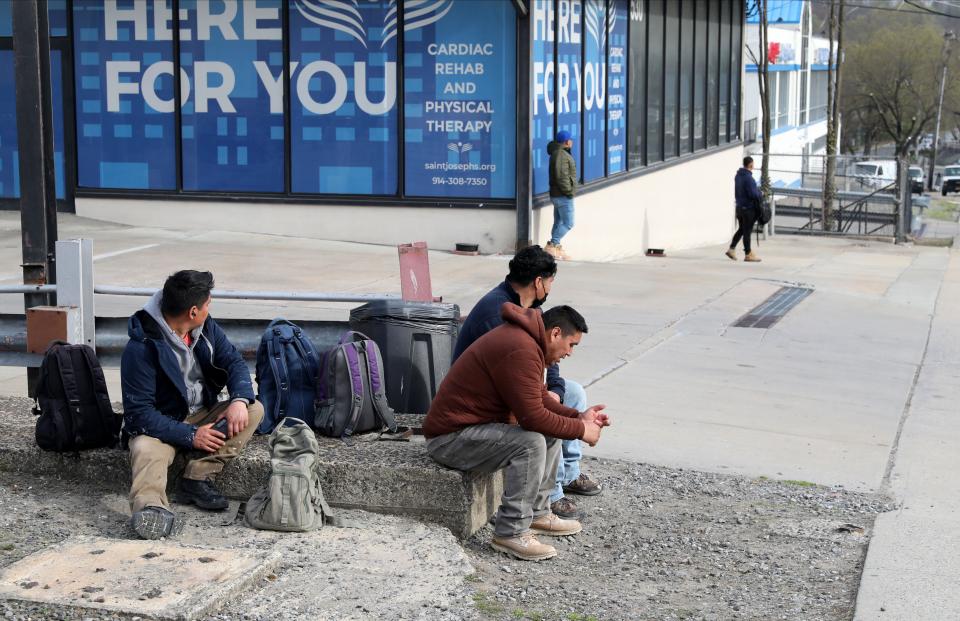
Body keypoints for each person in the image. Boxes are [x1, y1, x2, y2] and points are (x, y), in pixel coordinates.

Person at [425, 304, 610, 561]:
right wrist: (581, 430)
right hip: (450, 439)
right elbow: (532, 417)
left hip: (475, 430)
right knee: (531, 441)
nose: (570, 353)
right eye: (572, 344)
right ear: (556, 333)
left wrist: (577, 417)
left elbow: (538, 401)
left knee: (550, 430)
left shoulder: (526, 342)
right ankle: (511, 531)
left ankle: (537, 513)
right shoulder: (519, 347)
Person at [453, 245, 601, 521]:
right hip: (483, 404)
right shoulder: (495, 314)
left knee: (573, 394)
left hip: (518, 387)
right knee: (537, 433)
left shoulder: (532, 309)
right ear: (539, 281)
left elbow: (547, 359)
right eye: (551, 282)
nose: (551, 288)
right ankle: (532, 511)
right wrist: (579, 427)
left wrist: (556, 394)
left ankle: (563, 481)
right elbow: (516, 387)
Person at [121, 270, 263, 540]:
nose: (210, 309)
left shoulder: (205, 327)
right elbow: (139, 414)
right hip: (161, 424)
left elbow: (233, 362)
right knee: (143, 448)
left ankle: (197, 477)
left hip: (203, 413)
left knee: (254, 409)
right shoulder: (141, 346)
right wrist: (189, 435)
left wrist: (239, 400)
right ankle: (151, 509)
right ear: (193, 310)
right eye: (208, 304)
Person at [546, 130, 578, 260]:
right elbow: (562, 177)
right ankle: (552, 244)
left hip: (558, 195)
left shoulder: (559, 153)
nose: (572, 141)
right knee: (568, 223)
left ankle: (556, 248)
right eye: (571, 139)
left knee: (559, 222)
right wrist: (569, 192)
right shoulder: (562, 155)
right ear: (566, 141)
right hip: (562, 195)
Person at [727, 155, 763, 262]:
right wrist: (760, 193)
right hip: (748, 209)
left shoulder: (738, 176)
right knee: (747, 231)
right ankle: (748, 254)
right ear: (751, 165)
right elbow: (753, 194)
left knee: (742, 229)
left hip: (739, 207)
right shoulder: (749, 178)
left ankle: (731, 249)